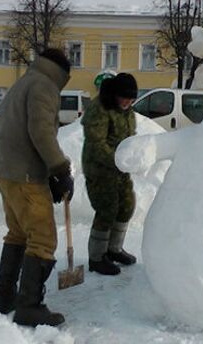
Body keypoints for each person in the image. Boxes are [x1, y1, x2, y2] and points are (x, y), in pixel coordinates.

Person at [0, 48, 73, 327]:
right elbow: (41, 131)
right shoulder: (44, 86)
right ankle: (29, 305)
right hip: (24, 175)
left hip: (6, 171)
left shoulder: (25, 81)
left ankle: (4, 297)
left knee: (17, 233)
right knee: (43, 238)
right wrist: (60, 169)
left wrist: (48, 170)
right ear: (62, 73)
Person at [81, 73, 138, 275]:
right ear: (115, 94)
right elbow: (97, 144)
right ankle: (96, 258)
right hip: (99, 168)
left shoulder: (127, 111)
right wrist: (119, 160)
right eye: (125, 98)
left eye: (131, 100)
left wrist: (134, 155)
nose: (128, 102)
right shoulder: (99, 109)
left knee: (127, 206)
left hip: (119, 169)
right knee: (107, 209)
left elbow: (130, 138)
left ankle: (113, 249)